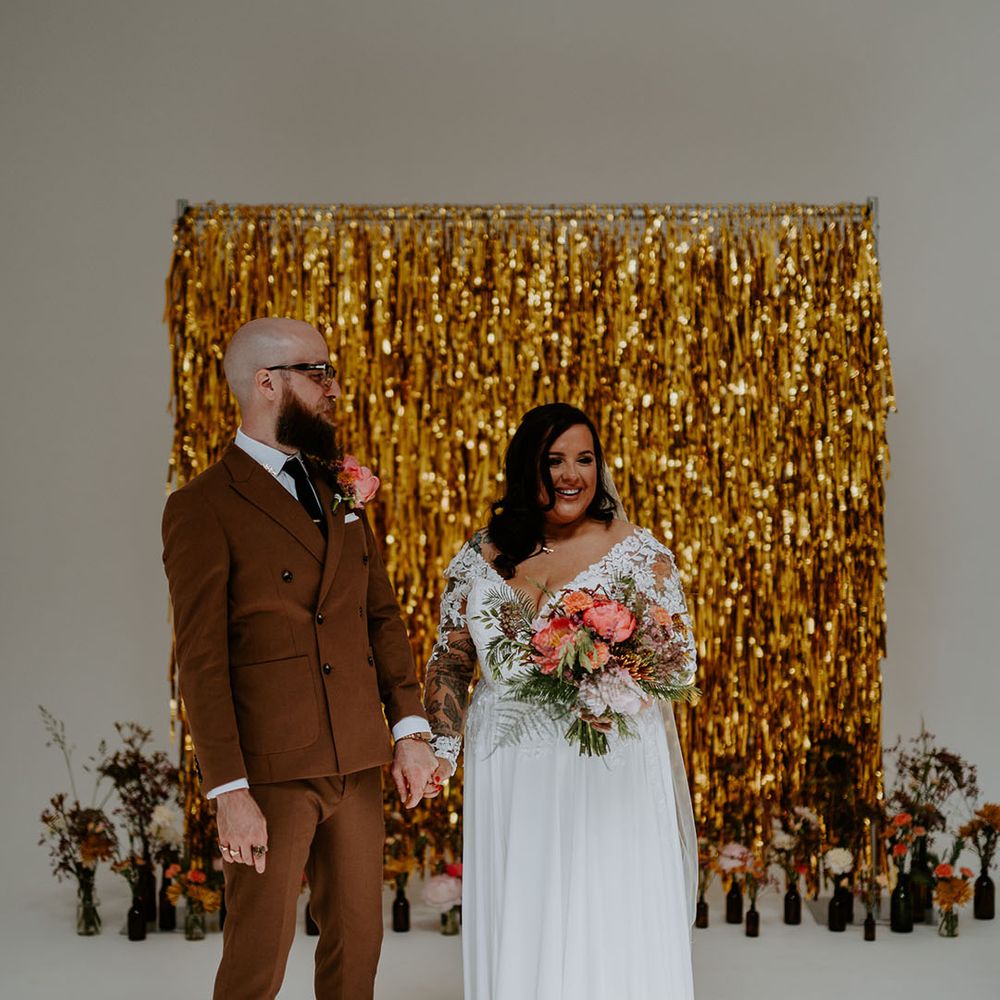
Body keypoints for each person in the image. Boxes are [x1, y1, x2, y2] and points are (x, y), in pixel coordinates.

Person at [161, 317, 438, 1000]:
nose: (333, 388)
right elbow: (201, 659)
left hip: (356, 754)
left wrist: (410, 731)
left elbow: (379, 616)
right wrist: (229, 793)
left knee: (358, 953)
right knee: (258, 956)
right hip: (270, 771)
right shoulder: (201, 507)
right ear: (266, 383)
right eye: (317, 373)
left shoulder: (337, 486)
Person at [422, 402, 697, 1000]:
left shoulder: (637, 552)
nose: (572, 475)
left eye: (584, 459)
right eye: (554, 461)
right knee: (525, 904)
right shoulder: (483, 553)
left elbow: (680, 662)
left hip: (603, 760)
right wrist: (440, 748)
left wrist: (611, 676)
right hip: (509, 761)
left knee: (604, 909)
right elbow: (451, 657)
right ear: (528, 469)